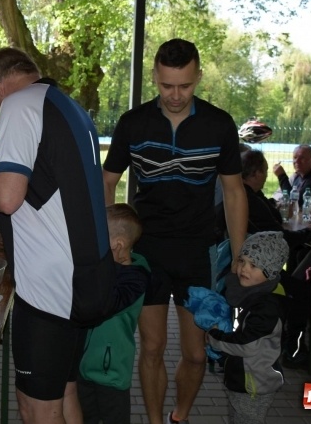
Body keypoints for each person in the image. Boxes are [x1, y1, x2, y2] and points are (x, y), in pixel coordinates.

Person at [0, 47, 148, 424]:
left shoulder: (18, 103)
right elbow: (46, 185)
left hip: (48, 290)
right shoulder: (67, 107)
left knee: (36, 408)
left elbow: (7, 196)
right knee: (65, 393)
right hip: (85, 278)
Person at [102, 38, 248, 424]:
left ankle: (178, 417)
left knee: (196, 354)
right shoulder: (133, 123)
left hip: (197, 250)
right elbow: (107, 181)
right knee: (151, 348)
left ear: (198, 77)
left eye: (185, 85)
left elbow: (234, 193)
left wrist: (239, 254)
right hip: (147, 249)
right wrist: (107, 239)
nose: (176, 95)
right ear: (155, 76)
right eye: (167, 85)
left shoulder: (219, 124)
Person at [239, 149, 311, 371]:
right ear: (257, 173)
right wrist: (310, 233)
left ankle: (287, 340)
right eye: (265, 171)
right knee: (303, 292)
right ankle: (293, 351)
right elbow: (280, 238)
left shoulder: (247, 195)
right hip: (256, 272)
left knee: (299, 271)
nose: (266, 176)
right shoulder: (250, 200)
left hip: (247, 265)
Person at [207, 231, 288, 424]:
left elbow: (247, 345)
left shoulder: (265, 307)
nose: (244, 269)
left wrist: (215, 337)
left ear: (270, 272)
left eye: (254, 265)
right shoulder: (248, 294)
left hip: (254, 384)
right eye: (242, 261)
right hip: (243, 377)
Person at [78, 203, 149, 424]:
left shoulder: (135, 279)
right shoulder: (105, 269)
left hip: (112, 374)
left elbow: (104, 304)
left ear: (118, 245)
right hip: (83, 368)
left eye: (98, 240)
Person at [272, 144, 311, 209]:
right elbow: (278, 194)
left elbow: (296, 203)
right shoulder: (297, 176)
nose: (297, 161)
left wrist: (282, 176)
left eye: (302, 158)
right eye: (295, 157)